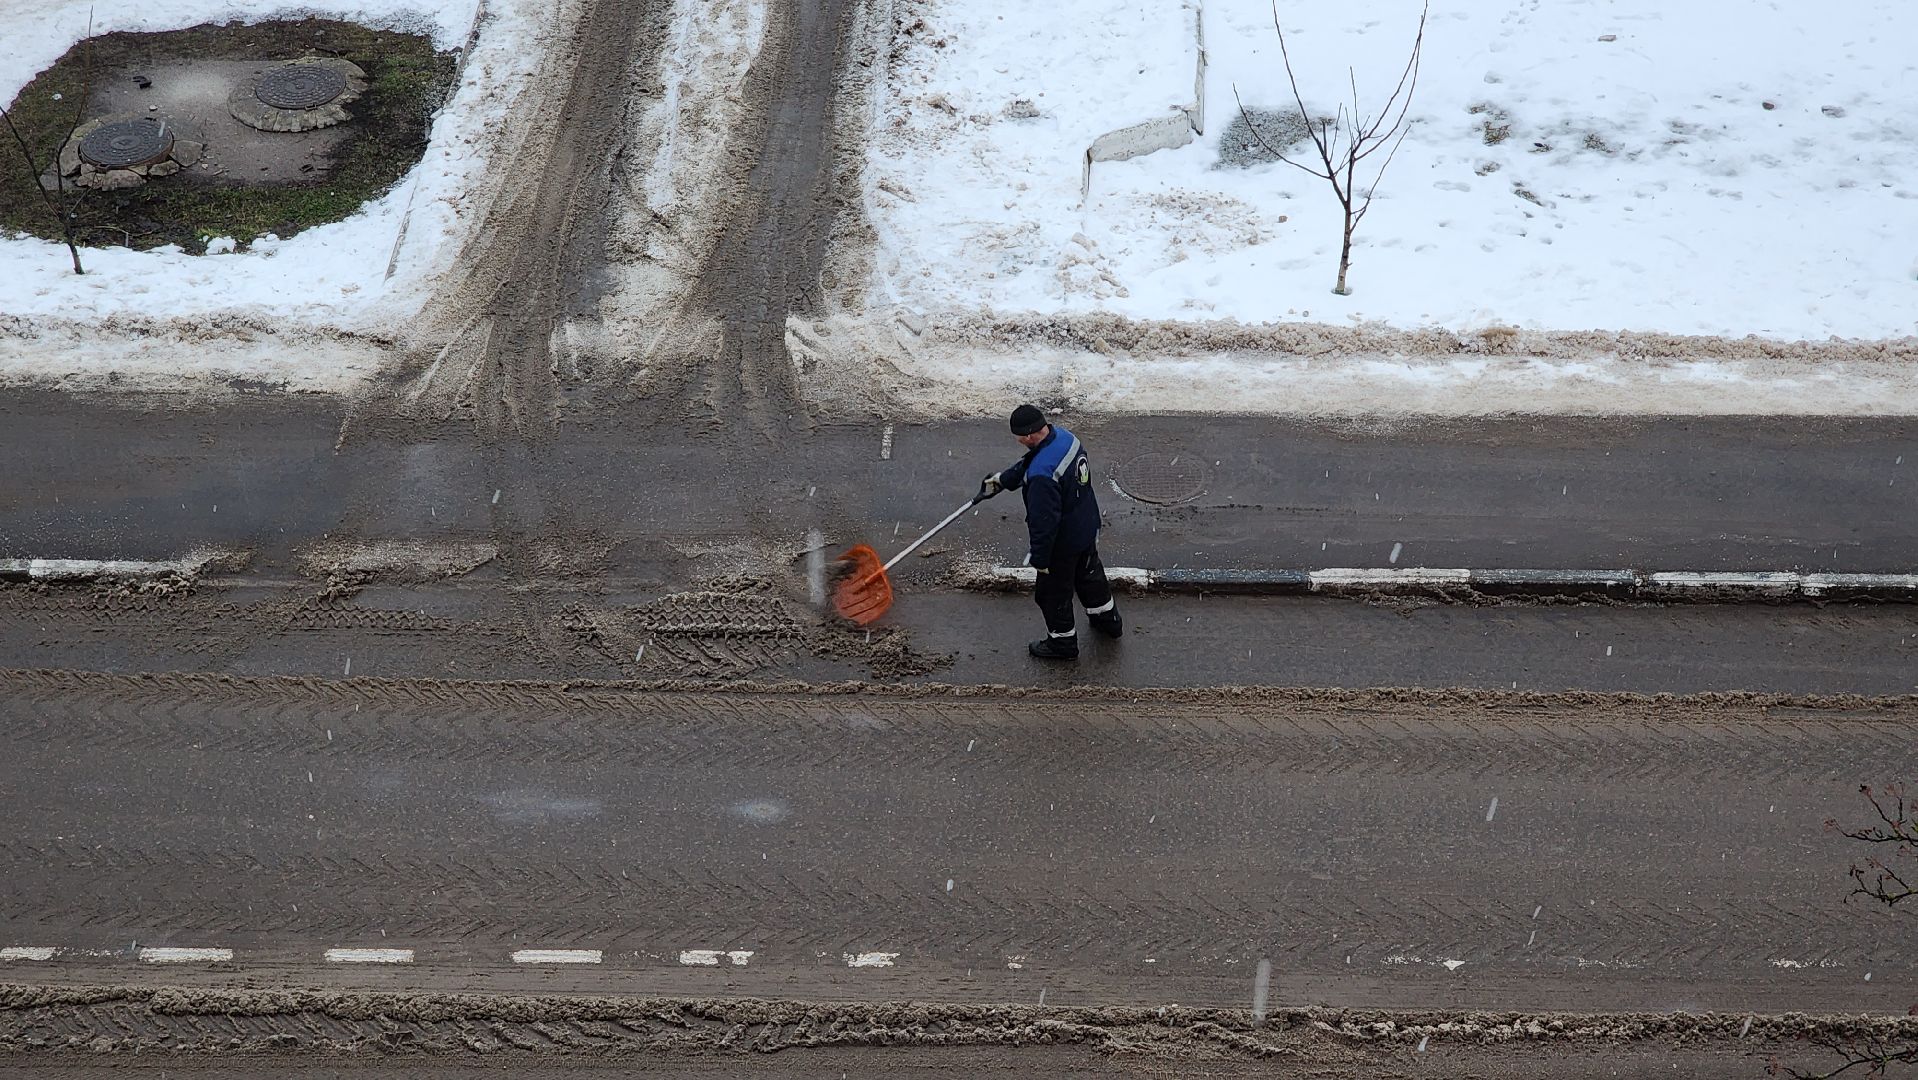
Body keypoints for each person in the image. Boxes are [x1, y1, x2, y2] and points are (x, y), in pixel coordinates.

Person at [979, 404, 1122, 659]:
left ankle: (1062, 644)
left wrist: (1041, 559)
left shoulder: (1042, 477)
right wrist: (1004, 480)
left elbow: (1044, 523)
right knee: (1090, 576)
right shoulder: (1066, 438)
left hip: (1063, 543)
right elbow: (1033, 461)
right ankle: (1108, 621)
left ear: (1030, 435)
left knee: (1053, 594)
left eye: (1019, 437)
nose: (1018, 441)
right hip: (1086, 526)